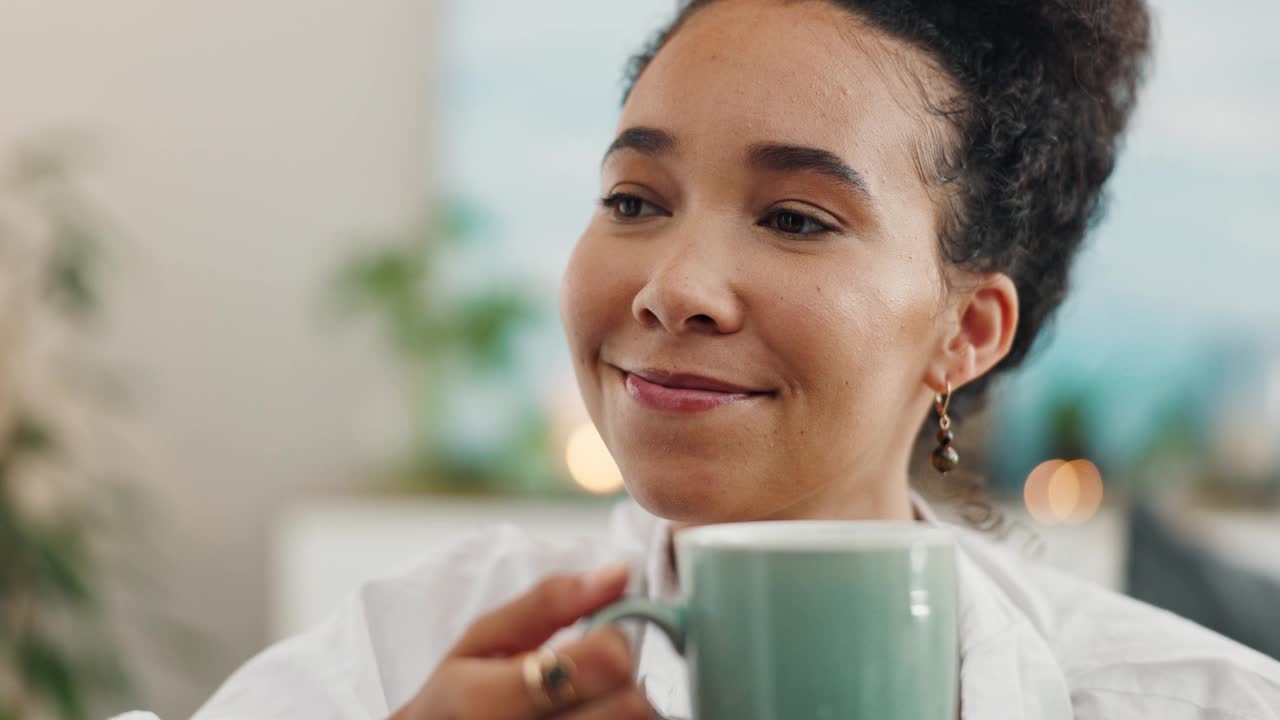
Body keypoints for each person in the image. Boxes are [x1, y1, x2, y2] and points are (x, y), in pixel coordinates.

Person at [116, 0, 1280, 718]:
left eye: (793, 218)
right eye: (633, 198)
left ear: (965, 330)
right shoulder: (412, 654)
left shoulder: (1180, 703)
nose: (671, 285)